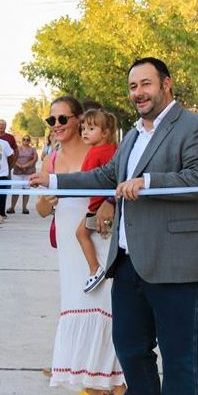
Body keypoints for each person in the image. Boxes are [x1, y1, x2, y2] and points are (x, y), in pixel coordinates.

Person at [30, 58, 198, 395]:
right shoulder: (134, 133)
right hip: (128, 260)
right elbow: (107, 176)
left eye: (146, 84)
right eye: (133, 86)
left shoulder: (196, 127)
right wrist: (53, 182)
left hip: (180, 261)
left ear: (166, 85)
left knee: (181, 353)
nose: (138, 92)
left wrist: (148, 183)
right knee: (130, 345)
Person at [31, 96, 129, 395]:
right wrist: (49, 197)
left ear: (79, 120)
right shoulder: (52, 158)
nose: (56, 126)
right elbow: (42, 211)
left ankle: (121, 393)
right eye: (51, 121)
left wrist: (109, 204)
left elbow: (118, 188)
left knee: (108, 309)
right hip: (70, 245)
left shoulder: (98, 150)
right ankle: (93, 389)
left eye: (63, 119)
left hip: (98, 238)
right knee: (77, 307)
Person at [76, 109, 119, 293]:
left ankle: (95, 269)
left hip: (97, 205)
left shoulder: (95, 153)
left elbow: (85, 178)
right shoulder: (114, 150)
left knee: (80, 234)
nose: (85, 132)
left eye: (91, 128)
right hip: (113, 202)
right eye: (83, 128)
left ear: (105, 133)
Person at [9, 135, 39, 215]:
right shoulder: (17, 149)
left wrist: (26, 166)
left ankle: (24, 207)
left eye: (27, 139)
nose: (26, 141)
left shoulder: (33, 149)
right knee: (15, 190)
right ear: (22, 140)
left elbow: (35, 159)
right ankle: (12, 207)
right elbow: (13, 158)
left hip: (28, 172)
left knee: (26, 189)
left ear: (29, 141)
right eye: (24, 139)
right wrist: (19, 165)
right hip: (18, 172)